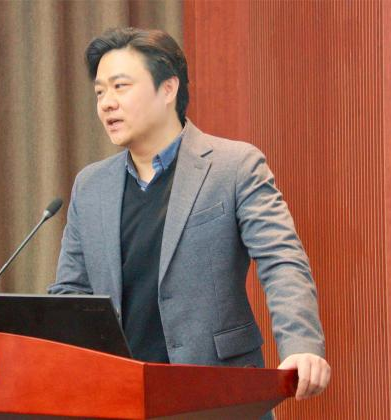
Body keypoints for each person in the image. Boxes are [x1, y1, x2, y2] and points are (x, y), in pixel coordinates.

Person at [49, 27, 331, 403]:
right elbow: (70, 292)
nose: (106, 104)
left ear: (168, 88)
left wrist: (301, 345)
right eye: (100, 92)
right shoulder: (91, 185)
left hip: (219, 391)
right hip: (123, 397)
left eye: (120, 87)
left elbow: (281, 260)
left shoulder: (234, 166)